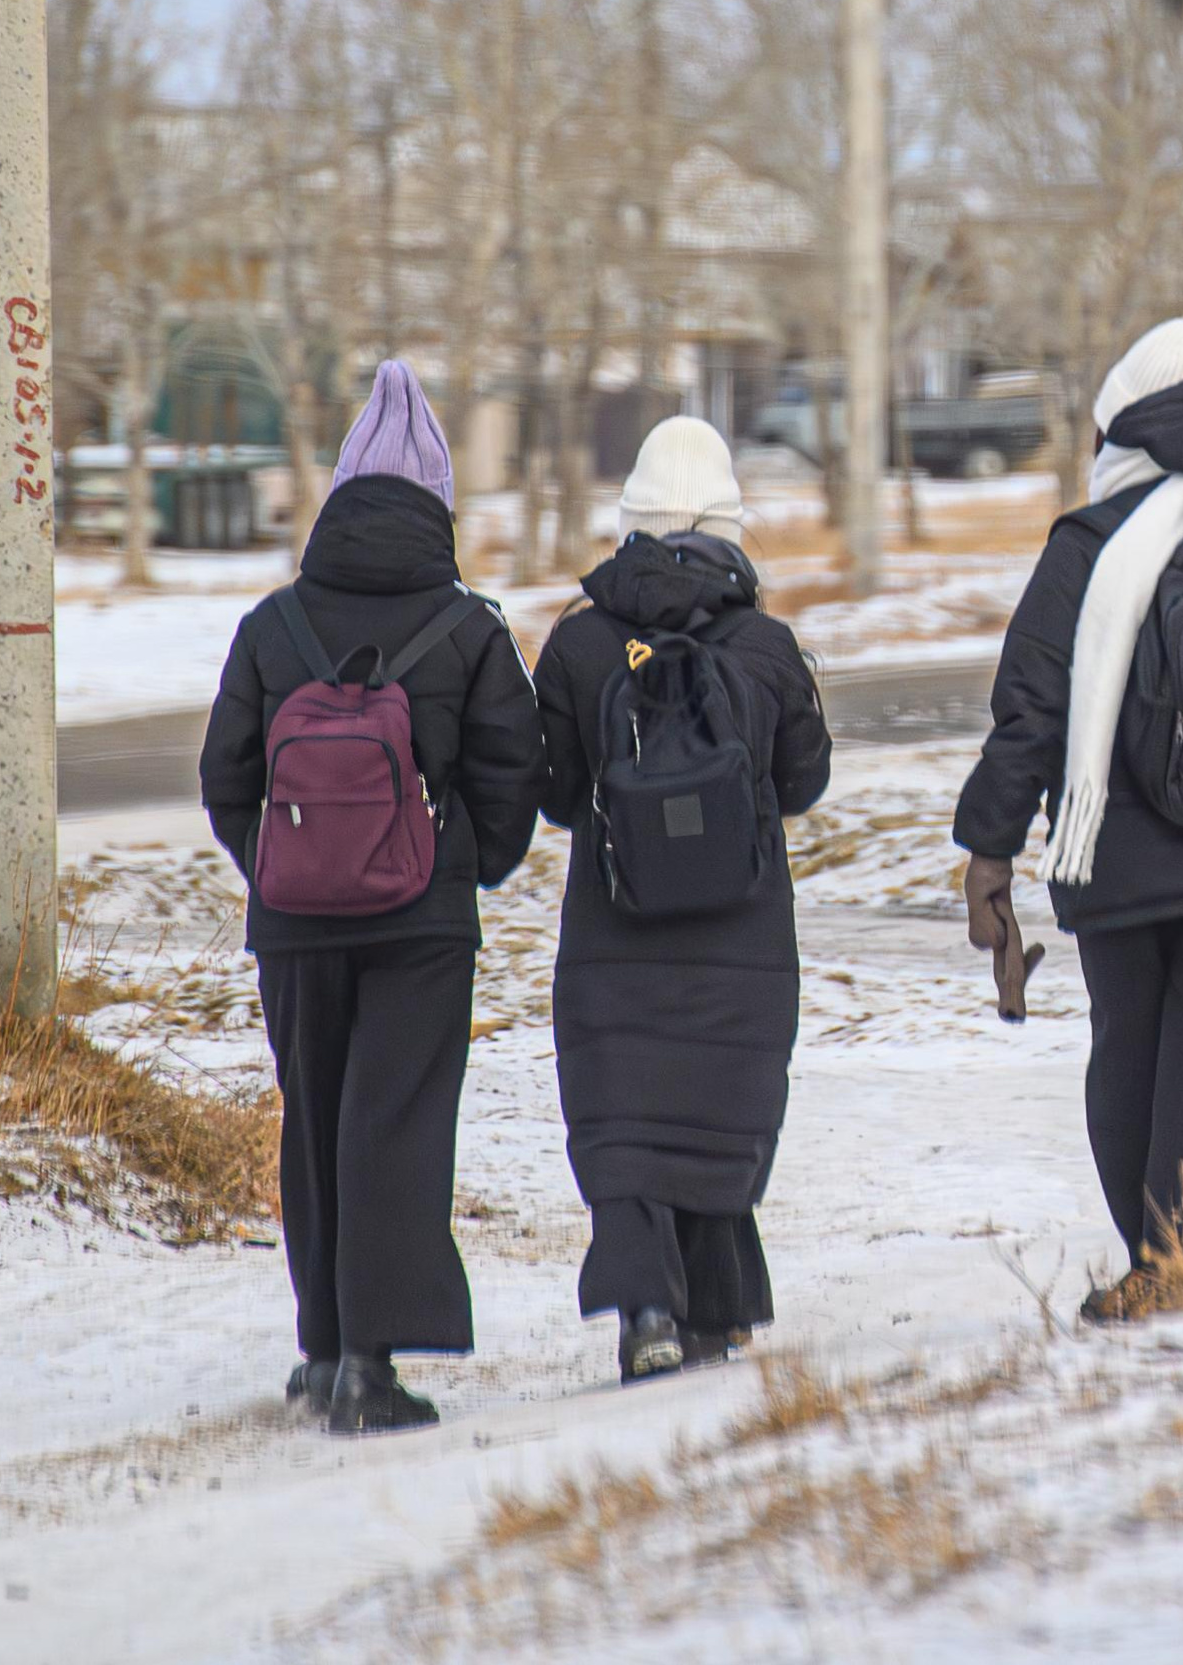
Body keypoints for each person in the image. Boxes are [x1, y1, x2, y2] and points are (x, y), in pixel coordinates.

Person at [198, 359, 544, 1433]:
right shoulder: (471, 628)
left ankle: (323, 1345)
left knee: (316, 1123)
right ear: (437, 507)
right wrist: (460, 866)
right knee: (393, 1122)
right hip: (419, 923)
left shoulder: (273, 624)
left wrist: (282, 868)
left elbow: (226, 776)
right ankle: (373, 1367)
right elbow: (511, 773)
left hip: (296, 925)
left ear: (340, 495)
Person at [953, 319, 1183, 1321]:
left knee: (1135, 1058)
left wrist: (991, 843)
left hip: (1124, 850)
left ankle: (1168, 1261)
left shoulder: (1088, 541)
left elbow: (1031, 706)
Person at [532, 417, 832, 1384]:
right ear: (730, 523)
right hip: (742, 931)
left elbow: (552, 791)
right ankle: (717, 1308)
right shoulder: (768, 645)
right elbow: (804, 782)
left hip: (613, 931)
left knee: (624, 1120)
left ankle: (647, 1312)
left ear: (631, 521)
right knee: (717, 1109)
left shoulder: (580, 646)